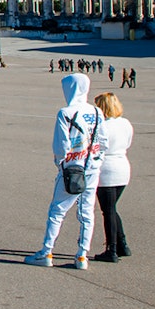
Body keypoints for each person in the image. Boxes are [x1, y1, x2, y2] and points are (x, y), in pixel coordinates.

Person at [25, 74, 108, 270]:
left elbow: (61, 145)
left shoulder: (65, 113)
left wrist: (60, 163)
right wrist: (97, 160)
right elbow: (104, 142)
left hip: (72, 168)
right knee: (87, 212)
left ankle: (46, 251)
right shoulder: (96, 112)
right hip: (92, 168)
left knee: (58, 211)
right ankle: (82, 255)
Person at [93, 92, 133, 262]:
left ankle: (112, 249)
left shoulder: (102, 126)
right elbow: (128, 142)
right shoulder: (125, 123)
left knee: (107, 210)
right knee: (111, 208)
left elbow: (97, 147)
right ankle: (122, 243)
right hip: (122, 167)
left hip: (107, 169)